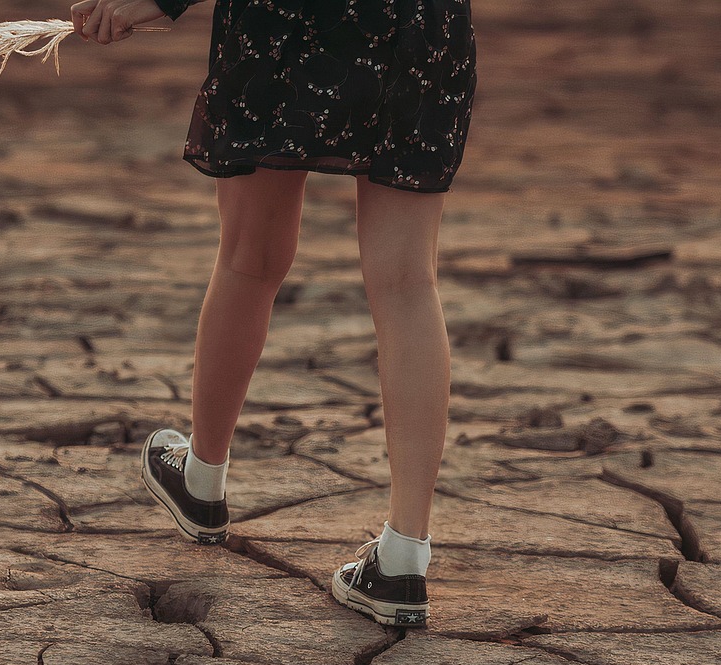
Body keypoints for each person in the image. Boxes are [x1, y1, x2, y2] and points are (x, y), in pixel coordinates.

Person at [71, 0, 478, 627]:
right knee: (405, 283)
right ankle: (403, 559)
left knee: (249, 258)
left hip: (288, 20)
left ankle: (203, 481)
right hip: (417, 23)